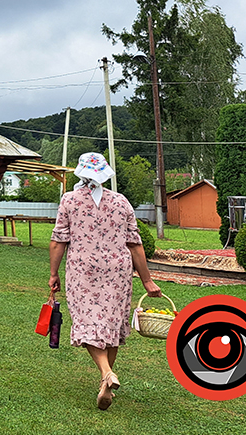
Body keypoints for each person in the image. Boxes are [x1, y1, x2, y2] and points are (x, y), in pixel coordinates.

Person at [49, 152, 162, 411]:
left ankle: (106, 373)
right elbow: (135, 244)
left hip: (83, 270)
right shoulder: (121, 202)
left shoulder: (70, 200)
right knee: (111, 325)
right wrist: (147, 281)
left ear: (80, 173)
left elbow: (58, 241)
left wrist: (54, 274)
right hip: (117, 271)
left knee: (87, 322)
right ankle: (106, 379)